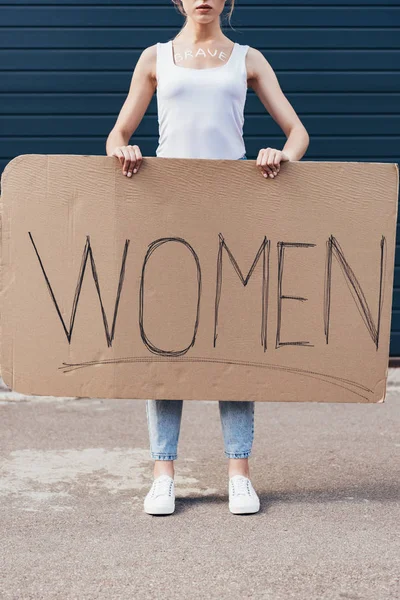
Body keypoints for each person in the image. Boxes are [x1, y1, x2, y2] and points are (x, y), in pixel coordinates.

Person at [106, 0, 309, 516]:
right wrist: (125, 152)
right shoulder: (155, 58)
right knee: (166, 344)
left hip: (233, 215)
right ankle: (163, 475)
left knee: (231, 344)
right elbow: (117, 134)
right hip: (169, 214)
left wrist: (280, 155)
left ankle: (239, 473)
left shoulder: (247, 59)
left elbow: (298, 133)